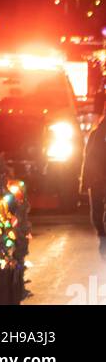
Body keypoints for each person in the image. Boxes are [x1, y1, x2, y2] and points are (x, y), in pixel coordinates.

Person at [80, 105, 106, 254]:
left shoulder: (95, 133)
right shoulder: (96, 134)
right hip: (99, 177)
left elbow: (88, 158)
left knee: (96, 208)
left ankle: (101, 233)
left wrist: (86, 181)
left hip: (96, 178)